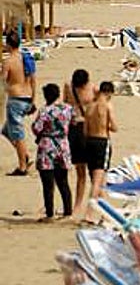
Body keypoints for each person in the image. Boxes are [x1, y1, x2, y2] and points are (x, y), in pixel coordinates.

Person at [31, 83, 73, 220]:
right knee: (63, 181)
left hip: (47, 145)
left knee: (47, 183)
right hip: (62, 145)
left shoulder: (44, 111)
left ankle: (50, 213)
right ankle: (68, 211)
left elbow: (36, 128)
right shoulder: (67, 109)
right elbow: (74, 123)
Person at [78, 81, 116, 216]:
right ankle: (89, 214)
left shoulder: (89, 107)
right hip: (102, 141)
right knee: (97, 182)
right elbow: (114, 127)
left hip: (89, 142)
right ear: (109, 93)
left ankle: (106, 214)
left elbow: (85, 130)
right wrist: (106, 126)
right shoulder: (107, 106)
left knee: (100, 181)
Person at [3, 31, 36, 176]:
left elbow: (3, 81)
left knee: (17, 133)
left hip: (16, 99)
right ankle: (25, 156)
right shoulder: (26, 58)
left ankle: (22, 166)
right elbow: (34, 80)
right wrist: (33, 100)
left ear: (8, 44)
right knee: (6, 130)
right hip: (27, 96)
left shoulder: (9, 61)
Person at [63, 68, 95, 208]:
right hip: (82, 127)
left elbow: (65, 105)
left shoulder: (68, 86)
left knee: (83, 172)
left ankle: (79, 205)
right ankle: (83, 205)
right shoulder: (92, 88)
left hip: (75, 127)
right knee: (87, 171)